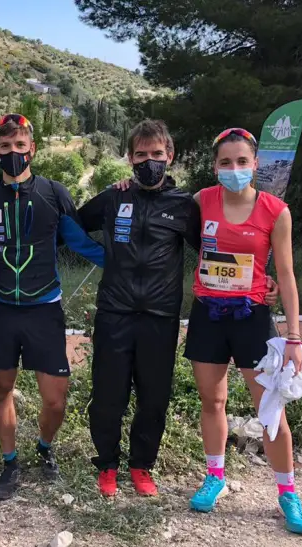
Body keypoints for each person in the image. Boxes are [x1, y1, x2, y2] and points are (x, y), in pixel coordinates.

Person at [85, 121, 280, 498]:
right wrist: (102, 256)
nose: (149, 161)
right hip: (114, 313)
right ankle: (107, 464)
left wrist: (261, 279)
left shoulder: (184, 205)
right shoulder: (113, 198)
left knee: (153, 398)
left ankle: (141, 467)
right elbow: (72, 225)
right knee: (108, 395)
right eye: (141, 154)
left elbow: (218, 245)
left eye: (157, 154)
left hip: (160, 317)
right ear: (130, 159)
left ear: (170, 156)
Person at [0, 114, 105, 500]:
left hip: (44, 308)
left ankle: (44, 447)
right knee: (1, 390)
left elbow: (80, 242)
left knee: (56, 400)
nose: (13, 152)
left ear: (32, 149)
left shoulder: (54, 193)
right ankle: (10, 462)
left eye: (20, 146)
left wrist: (125, 265)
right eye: (5, 146)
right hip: (0, 309)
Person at [183, 127, 302, 535]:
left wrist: (294, 337)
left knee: (270, 409)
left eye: (242, 161)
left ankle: (288, 493)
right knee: (212, 400)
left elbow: (286, 275)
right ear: (215, 167)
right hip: (207, 315)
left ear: (255, 165)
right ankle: (215, 477)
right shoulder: (202, 201)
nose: (234, 168)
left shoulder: (276, 210)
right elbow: (163, 213)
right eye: (226, 162)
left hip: (252, 317)